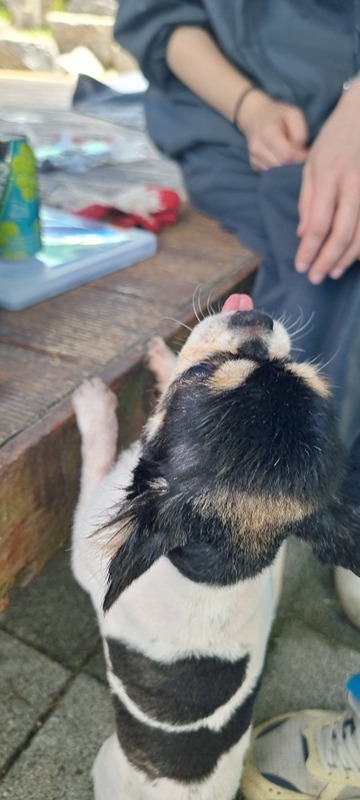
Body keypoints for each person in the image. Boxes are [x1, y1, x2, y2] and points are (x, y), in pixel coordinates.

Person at [113, 1, 360, 794]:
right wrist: (250, 107)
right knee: (320, 243)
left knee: (318, 240)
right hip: (232, 120)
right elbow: (157, 18)